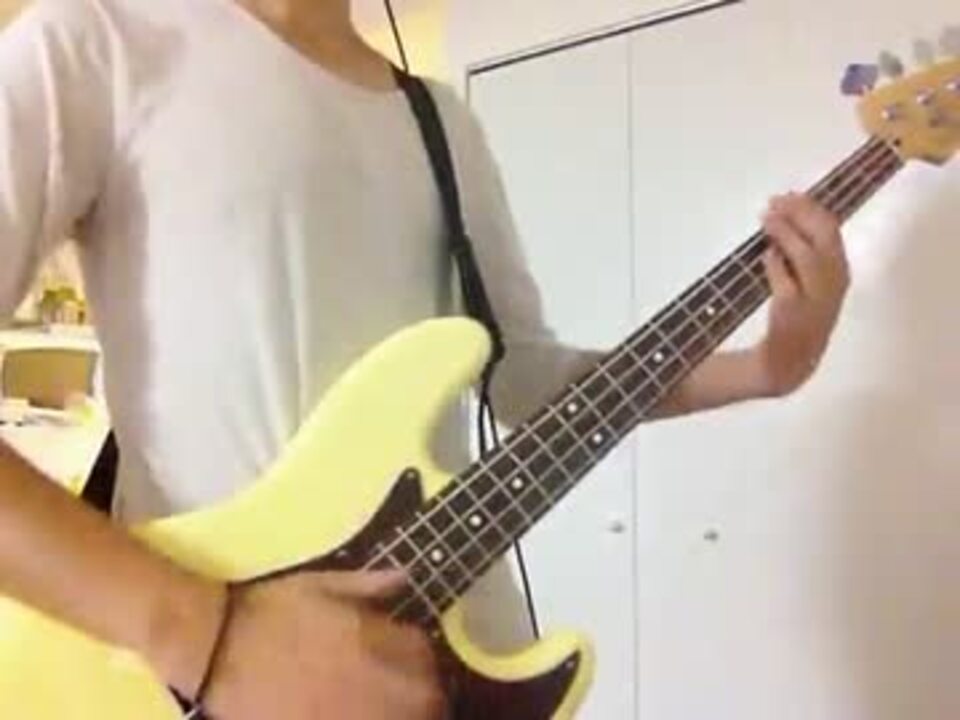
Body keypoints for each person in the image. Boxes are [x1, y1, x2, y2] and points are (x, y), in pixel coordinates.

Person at [0, 0, 850, 717]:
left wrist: (766, 367)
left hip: (449, 666)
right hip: (220, 682)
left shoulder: (440, 123)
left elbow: (521, 379)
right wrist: (210, 635)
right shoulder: (98, 41)